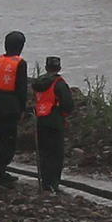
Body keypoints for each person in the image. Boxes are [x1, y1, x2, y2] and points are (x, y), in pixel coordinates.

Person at [0, 30, 28, 187]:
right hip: (11, 106)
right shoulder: (20, 63)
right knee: (9, 140)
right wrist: (23, 108)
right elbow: (21, 88)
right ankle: (2, 172)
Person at [32, 56, 74, 193]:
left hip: (40, 120)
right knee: (56, 154)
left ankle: (45, 182)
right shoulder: (59, 83)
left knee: (44, 153)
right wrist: (64, 115)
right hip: (55, 121)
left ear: (46, 67)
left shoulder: (38, 83)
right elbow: (68, 105)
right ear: (59, 68)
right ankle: (53, 184)